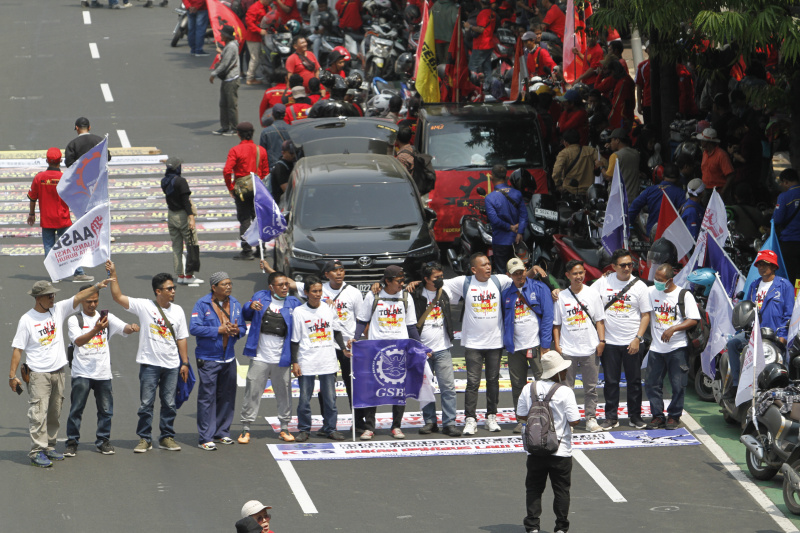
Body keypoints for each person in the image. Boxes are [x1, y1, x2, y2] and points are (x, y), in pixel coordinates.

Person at [436, 254, 545, 435]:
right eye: (484, 265)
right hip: (473, 343)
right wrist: (415, 283)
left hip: (495, 342)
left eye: (489, 264)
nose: (488, 267)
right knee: (472, 382)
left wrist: (534, 271)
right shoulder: (463, 282)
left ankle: (491, 417)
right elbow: (437, 284)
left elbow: (520, 278)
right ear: (473, 269)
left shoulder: (498, 280)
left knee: (493, 381)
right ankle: (470, 419)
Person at [10, 279, 113, 467]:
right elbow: (18, 349)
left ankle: (49, 446)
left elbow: (79, 296)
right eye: (49, 295)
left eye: (54, 294)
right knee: (38, 413)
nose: (53, 297)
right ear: (38, 298)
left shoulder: (58, 310)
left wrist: (97, 286)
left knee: (54, 413)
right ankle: (36, 451)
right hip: (38, 374)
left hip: (58, 372)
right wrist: (12, 375)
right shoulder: (27, 319)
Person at [105, 260, 191, 453]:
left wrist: (184, 362)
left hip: (171, 365)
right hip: (149, 364)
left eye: (174, 288)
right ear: (158, 291)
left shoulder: (177, 310)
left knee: (169, 403)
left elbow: (182, 338)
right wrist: (114, 273)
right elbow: (118, 296)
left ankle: (166, 437)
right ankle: (145, 438)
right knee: (146, 404)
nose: (173, 291)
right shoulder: (144, 306)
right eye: (169, 288)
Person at [65, 284, 139, 457]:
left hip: (103, 373)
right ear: (82, 300)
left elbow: (124, 328)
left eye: (95, 301)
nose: (92, 305)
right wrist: (96, 329)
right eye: (89, 301)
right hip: (81, 372)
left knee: (105, 410)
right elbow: (78, 341)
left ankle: (103, 441)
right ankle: (72, 442)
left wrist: (132, 328)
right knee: (76, 409)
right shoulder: (74, 320)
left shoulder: (106, 317)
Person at [352, 265, 423, 439]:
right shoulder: (373, 295)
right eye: (398, 281)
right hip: (375, 349)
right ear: (387, 281)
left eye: (403, 280)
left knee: (399, 389)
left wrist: (420, 346)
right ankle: (369, 427)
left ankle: (396, 426)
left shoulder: (406, 297)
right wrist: (355, 338)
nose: (402, 284)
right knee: (372, 389)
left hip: (399, 349)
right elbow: (362, 320)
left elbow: (411, 325)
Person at [517, 350, 579, 533]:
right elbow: (574, 420)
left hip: (535, 449)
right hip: (560, 450)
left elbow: (521, 415)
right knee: (561, 490)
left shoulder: (529, 388)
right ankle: (561, 528)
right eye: (563, 370)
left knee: (534, 489)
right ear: (556, 372)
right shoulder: (565, 392)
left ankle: (532, 526)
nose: (566, 373)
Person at [591, 249, 652, 429]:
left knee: (634, 381)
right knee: (611, 381)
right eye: (623, 265)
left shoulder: (640, 286)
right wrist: (558, 291)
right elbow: (584, 295)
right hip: (609, 342)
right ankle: (611, 417)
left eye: (630, 265)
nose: (627, 268)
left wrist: (638, 338)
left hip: (632, 341)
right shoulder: (603, 282)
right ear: (613, 267)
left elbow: (646, 315)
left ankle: (635, 416)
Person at [239, 271, 303, 443]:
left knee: (284, 394)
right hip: (260, 356)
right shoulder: (260, 297)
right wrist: (249, 307)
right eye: (280, 285)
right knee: (252, 392)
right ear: (271, 287)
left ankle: (284, 427)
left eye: (286, 284)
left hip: (282, 358)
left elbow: (305, 318)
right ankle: (246, 428)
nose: (285, 287)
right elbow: (245, 312)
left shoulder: (294, 302)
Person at [725, 250, 794, 399]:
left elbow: (789, 315)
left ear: (774, 267)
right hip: (753, 333)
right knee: (732, 344)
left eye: (766, 264)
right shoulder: (754, 285)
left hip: (774, 337)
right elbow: (747, 309)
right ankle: (736, 385)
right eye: (759, 264)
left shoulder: (785, 286)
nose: (761, 268)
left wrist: (782, 337)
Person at [189, 273, 246, 450]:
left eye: (230, 283)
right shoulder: (202, 304)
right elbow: (194, 328)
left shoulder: (235, 303)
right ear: (214, 287)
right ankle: (205, 437)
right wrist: (218, 330)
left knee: (227, 396)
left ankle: (222, 432)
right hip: (208, 359)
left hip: (228, 358)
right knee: (207, 397)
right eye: (224, 284)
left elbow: (243, 327)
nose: (228, 287)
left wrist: (237, 331)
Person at [644, 264, 700, 430]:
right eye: (656, 278)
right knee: (652, 383)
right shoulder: (651, 292)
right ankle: (657, 416)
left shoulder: (684, 295)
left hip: (677, 347)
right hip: (656, 348)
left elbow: (693, 319)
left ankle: (674, 416)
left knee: (678, 384)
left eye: (660, 280)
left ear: (670, 280)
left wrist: (673, 328)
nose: (657, 282)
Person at [291, 276, 347, 441]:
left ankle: (330, 428)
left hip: (328, 361)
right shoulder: (299, 312)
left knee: (330, 399)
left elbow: (336, 331)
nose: (317, 294)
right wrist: (295, 362)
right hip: (306, 361)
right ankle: (304, 429)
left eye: (320, 291)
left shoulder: (329, 309)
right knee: (304, 400)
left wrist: (343, 349)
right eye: (314, 291)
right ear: (306, 293)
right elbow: (295, 340)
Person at [410, 262, 462, 437]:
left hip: (443, 348)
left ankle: (449, 423)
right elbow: (394, 288)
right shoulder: (414, 293)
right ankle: (430, 422)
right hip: (422, 350)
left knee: (448, 387)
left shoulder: (447, 290)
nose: (440, 280)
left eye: (441, 276)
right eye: (436, 278)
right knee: (426, 388)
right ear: (425, 279)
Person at [501, 258, 554, 432]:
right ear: (509, 275)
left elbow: (547, 317)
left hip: (537, 345)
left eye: (521, 272)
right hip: (515, 347)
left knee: (543, 383)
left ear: (525, 271)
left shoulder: (539, 288)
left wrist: (546, 344)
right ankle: (522, 419)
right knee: (517, 385)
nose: (519, 276)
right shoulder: (506, 293)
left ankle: (546, 418)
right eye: (515, 274)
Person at [552, 260, 605, 433]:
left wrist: (601, 341)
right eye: (575, 273)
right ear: (567, 275)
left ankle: (590, 419)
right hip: (568, 350)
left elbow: (599, 320)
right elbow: (556, 325)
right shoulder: (561, 297)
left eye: (581, 273)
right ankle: (569, 420)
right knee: (567, 390)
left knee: (591, 388)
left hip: (590, 348)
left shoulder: (592, 294)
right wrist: (558, 346)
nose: (579, 276)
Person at [27, 147, 93, 283]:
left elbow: (32, 197)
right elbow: (76, 197)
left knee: (48, 247)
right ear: (60, 161)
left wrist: (32, 214)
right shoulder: (65, 177)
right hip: (63, 218)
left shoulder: (39, 178)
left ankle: (55, 274)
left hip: (46, 219)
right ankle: (78, 273)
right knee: (72, 245)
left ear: (46, 160)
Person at [224, 122, 269, 260]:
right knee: (258, 218)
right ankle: (261, 249)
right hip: (258, 187)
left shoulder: (235, 150)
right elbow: (266, 172)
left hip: (242, 190)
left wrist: (231, 187)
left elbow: (227, 170)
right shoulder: (260, 150)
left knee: (244, 220)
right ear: (253, 133)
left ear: (238, 134)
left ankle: (246, 250)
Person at [161, 156, 202, 285]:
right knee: (191, 245)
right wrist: (191, 217)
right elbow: (185, 202)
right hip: (182, 216)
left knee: (177, 247)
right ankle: (189, 276)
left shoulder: (164, 181)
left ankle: (179, 275)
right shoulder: (181, 181)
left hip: (171, 215)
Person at [485, 164, 527, 274]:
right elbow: (523, 215)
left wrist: (509, 227)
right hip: (517, 240)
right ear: (506, 177)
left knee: (502, 272)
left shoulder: (490, 198)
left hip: (500, 241)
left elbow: (494, 219)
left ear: (492, 177)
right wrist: (520, 231)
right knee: (518, 272)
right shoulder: (517, 193)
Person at [628, 163, 686, 239]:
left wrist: (629, 224)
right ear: (678, 178)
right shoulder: (681, 193)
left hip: (652, 234)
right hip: (672, 236)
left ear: (662, 176)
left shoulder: (650, 190)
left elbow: (634, 207)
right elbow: (685, 214)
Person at [209, 25, 241, 136]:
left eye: (222, 34)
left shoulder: (231, 46)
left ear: (227, 36)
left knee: (231, 105)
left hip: (231, 79)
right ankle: (225, 126)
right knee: (223, 104)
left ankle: (234, 128)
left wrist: (214, 73)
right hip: (227, 79)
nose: (220, 35)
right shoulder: (228, 46)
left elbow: (225, 64)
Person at [551, 129, 598, 195]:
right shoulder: (590, 150)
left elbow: (557, 171)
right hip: (589, 190)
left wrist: (558, 184)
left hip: (570, 190)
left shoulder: (564, 153)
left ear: (565, 142)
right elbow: (604, 164)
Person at [602, 128, 642, 202]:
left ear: (617, 140)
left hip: (619, 200)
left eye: (611, 140)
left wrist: (601, 166)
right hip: (633, 197)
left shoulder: (615, 156)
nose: (610, 143)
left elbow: (608, 177)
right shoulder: (636, 153)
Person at [775, 169, 800, 284]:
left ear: (785, 181)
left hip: (789, 242)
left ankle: (793, 300)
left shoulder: (784, 197)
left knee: (790, 276)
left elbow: (778, 219)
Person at [697, 128, 734, 198]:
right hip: (706, 189)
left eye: (703, 140)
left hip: (718, 190)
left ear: (708, 142)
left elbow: (731, 175)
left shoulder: (721, 155)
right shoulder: (705, 153)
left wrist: (723, 191)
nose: (701, 142)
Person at [465, 0, 496, 80]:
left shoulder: (483, 13)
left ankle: (472, 86)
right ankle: (488, 86)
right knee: (487, 67)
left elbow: (481, 29)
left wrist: (470, 26)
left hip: (481, 45)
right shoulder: (492, 13)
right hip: (488, 43)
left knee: (472, 67)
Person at [244, 0, 271, 85]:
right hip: (253, 37)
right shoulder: (254, 8)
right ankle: (250, 78)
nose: (270, 2)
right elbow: (249, 23)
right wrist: (259, 30)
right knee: (255, 58)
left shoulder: (267, 7)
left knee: (258, 57)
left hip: (261, 36)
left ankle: (252, 76)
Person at [259, 104, 292, 171]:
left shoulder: (265, 132)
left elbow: (262, 154)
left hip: (273, 167)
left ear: (272, 115)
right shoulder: (292, 129)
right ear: (285, 114)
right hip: (289, 166)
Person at [268, 140, 297, 205]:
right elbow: (287, 190)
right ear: (283, 153)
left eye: (294, 152)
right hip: (279, 203)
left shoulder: (291, 163)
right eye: (291, 153)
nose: (293, 155)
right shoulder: (280, 168)